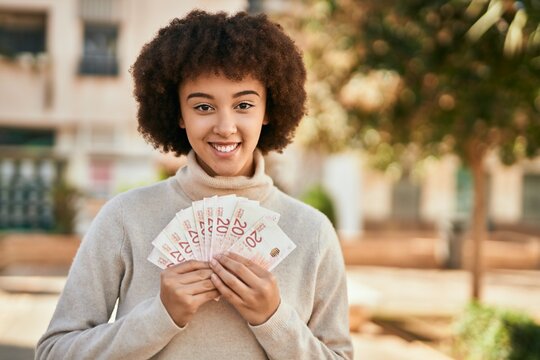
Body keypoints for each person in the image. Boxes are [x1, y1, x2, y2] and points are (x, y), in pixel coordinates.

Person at [36, 10, 353, 359]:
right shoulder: (125, 217)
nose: (225, 126)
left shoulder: (313, 231)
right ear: (178, 114)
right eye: (203, 106)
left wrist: (273, 319)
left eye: (244, 104)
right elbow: (53, 352)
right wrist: (160, 317)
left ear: (268, 110)